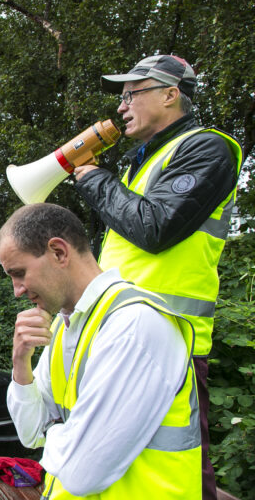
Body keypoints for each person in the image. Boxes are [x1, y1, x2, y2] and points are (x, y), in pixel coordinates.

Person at [75, 55, 242, 499]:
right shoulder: (141, 162)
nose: (122, 106)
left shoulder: (208, 148)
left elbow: (154, 228)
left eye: (132, 94)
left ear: (171, 95)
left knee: (181, 466)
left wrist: (92, 178)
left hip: (171, 341)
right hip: (118, 337)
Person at [0, 203, 199, 498]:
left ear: (59, 252)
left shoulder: (133, 325)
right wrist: (20, 363)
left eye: (18, 272)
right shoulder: (69, 325)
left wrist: (56, 431)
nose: (16, 290)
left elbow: (81, 473)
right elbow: (30, 433)